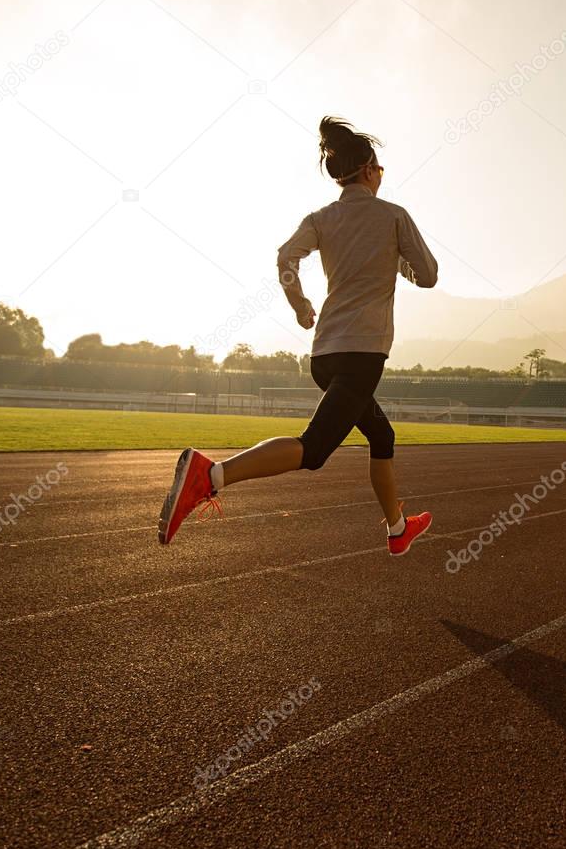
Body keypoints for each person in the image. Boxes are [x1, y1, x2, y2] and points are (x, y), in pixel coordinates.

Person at [157, 116, 439, 556]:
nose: (382, 177)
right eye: (381, 170)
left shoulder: (321, 218)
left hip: (324, 355)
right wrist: (400, 260)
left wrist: (300, 305)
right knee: (314, 450)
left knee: (382, 438)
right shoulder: (394, 216)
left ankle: (397, 528)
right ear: (368, 170)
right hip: (362, 353)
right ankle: (210, 475)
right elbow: (429, 276)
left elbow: (286, 256)